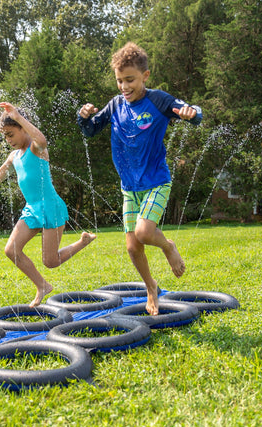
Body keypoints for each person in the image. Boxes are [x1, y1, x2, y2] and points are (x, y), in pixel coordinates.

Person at [77, 42, 203, 315]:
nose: (124, 86)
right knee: (133, 247)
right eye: (120, 81)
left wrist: (192, 114)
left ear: (145, 76)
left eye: (130, 80)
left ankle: (168, 247)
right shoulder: (115, 105)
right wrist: (83, 117)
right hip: (129, 188)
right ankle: (150, 287)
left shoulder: (158, 100)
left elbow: (191, 112)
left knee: (145, 233)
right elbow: (90, 130)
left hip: (156, 181)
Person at [0, 102, 96, 307]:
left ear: (22, 127)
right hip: (31, 210)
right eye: (5, 136)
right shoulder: (13, 156)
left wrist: (18, 116)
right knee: (11, 250)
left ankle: (82, 242)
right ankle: (42, 286)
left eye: (11, 134)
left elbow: (42, 139)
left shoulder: (36, 148)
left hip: (50, 207)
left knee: (51, 261)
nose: (8, 140)